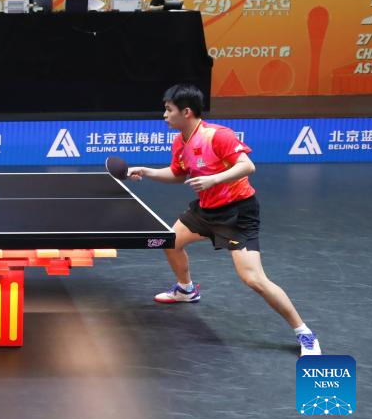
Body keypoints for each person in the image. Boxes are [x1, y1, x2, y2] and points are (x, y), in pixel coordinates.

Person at [126, 84, 321, 357]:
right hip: (206, 210)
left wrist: (213, 179)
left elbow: (247, 166)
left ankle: (305, 333)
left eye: (168, 110)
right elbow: (177, 174)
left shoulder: (218, 136)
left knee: (253, 279)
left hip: (237, 213)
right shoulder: (180, 141)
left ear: (186, 111)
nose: (164, 115)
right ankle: (186, 290)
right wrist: (146, 171)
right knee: (169, 241)